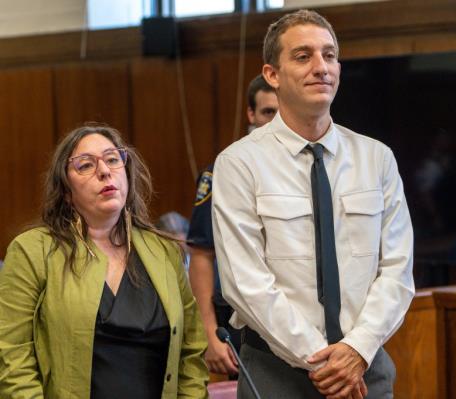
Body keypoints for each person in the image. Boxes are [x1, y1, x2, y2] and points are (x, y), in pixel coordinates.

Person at [212, 9, 414, 399]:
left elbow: (398, 270)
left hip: (365, 368)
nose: (321, 67)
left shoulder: (377, 158)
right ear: (272, 74)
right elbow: (245, 284)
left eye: (330, 55)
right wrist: (324, 362)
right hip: (277, 372)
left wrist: (356, 350)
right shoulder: (239, 163)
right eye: (303, 56)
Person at [0, 124, 209, 398]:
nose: (104, 171)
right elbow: (11, 354)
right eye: (85, 165)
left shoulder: (164, 251)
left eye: (112, 159)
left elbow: (191, 351)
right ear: (66, 191)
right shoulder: (33, 251)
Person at [187, 74, 278, 377]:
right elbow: (201, 254)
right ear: (251, 114)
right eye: (267, 112)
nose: (275, 120)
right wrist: (209, 332)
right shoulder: (224, 171)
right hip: (241, 320)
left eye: (281, 111)